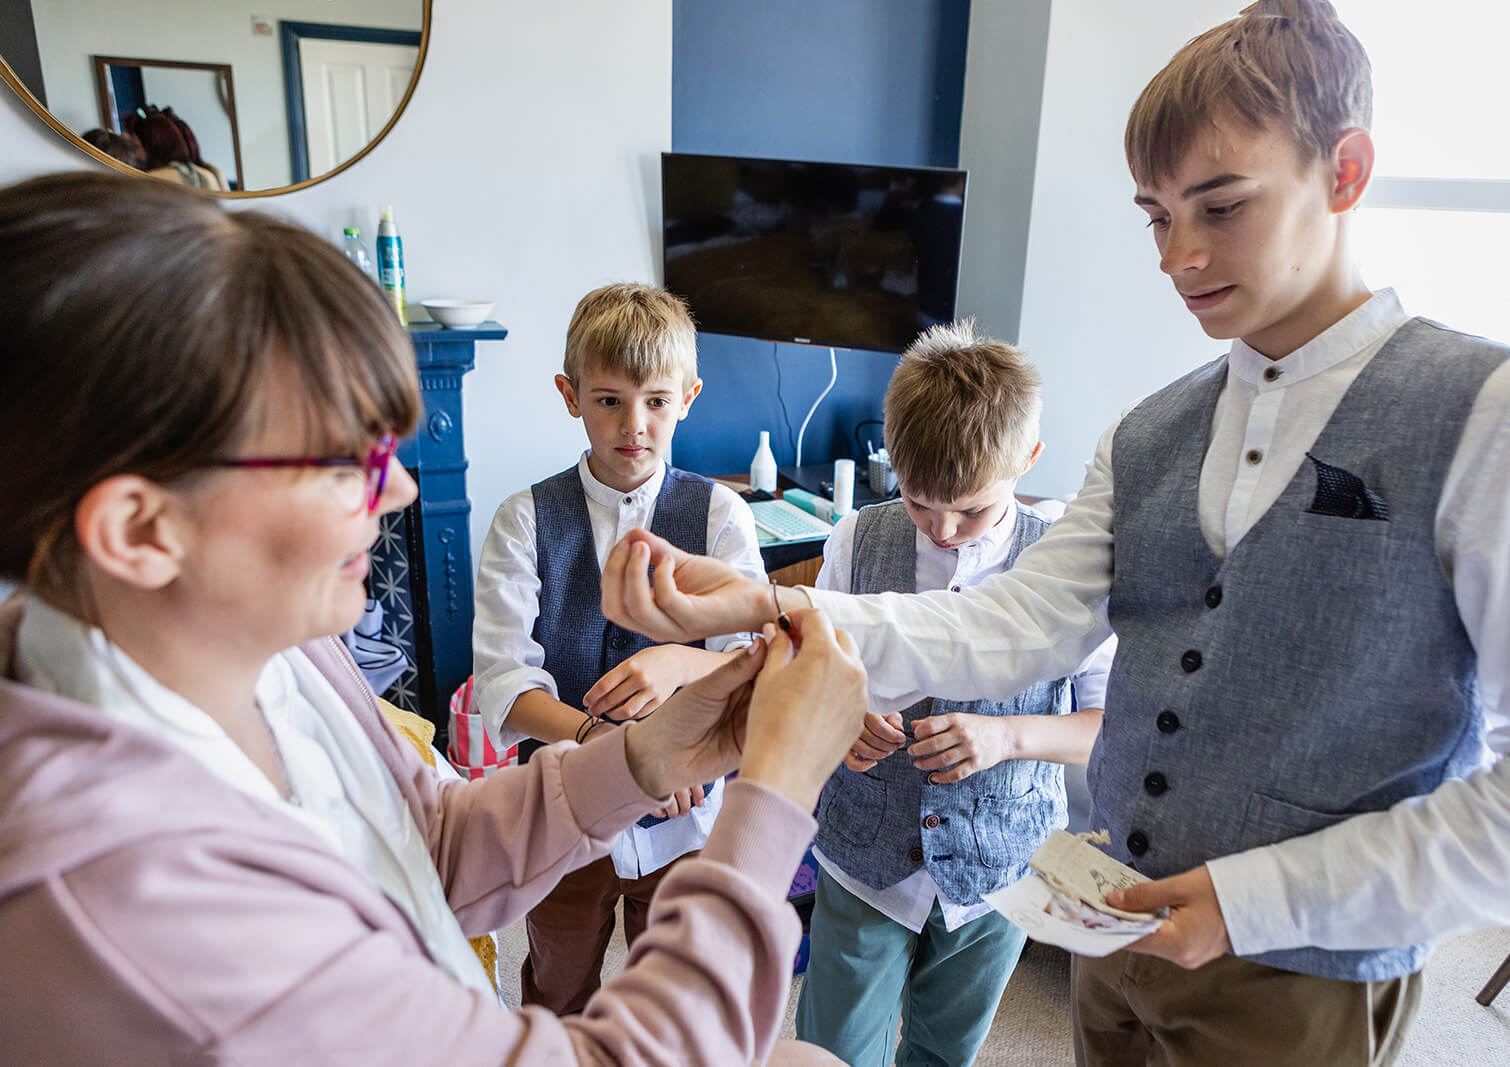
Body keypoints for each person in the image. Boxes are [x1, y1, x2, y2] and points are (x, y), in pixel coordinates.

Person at [596, 2, 1510, 1064]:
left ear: (1344, 173)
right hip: (1109, 933)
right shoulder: (1149, 431)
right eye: (1156, 217)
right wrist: (773, 600)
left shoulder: (1506, 415)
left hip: (1309, 970)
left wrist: (1253, 898)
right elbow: (1012, 623)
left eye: (1220, 206)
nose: (1180, 257)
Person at [0, 170, 862, 1065]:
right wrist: (774, 797)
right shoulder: (139, 900)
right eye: (344, 464)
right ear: (142, 530)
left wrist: (646, 757)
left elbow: (430, 841)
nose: (400, 491)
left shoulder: (286, 654)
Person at [794, 321, 1112, 1066]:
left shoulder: (1066, 563)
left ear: (1027, 459)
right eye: (917, 501)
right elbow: (808, 674)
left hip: (1002, 867)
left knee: (946, 1052)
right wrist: (845, 716)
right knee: (832, 1051)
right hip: (863, 857)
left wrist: (1009, 737)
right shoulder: (857, 540)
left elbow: (1112, 723)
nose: (942, 529)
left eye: (971, 510)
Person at [470, 281, 767, 1014]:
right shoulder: (523, 519)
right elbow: (503, 679)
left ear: (688, 398)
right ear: (570, 395)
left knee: (672, 1001)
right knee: (557, 986)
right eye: (609, 401)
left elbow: (757, 655)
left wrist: (684, 666)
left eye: (656, 402)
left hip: (687, 819)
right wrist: (607, 746)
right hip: (563, 814)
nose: (634, 425)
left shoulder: (721, 514)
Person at [128, 106, 224, 191]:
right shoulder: (210, 175)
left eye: (138, 147)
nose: (137, 154)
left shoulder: (154, 179)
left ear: (155, 147)